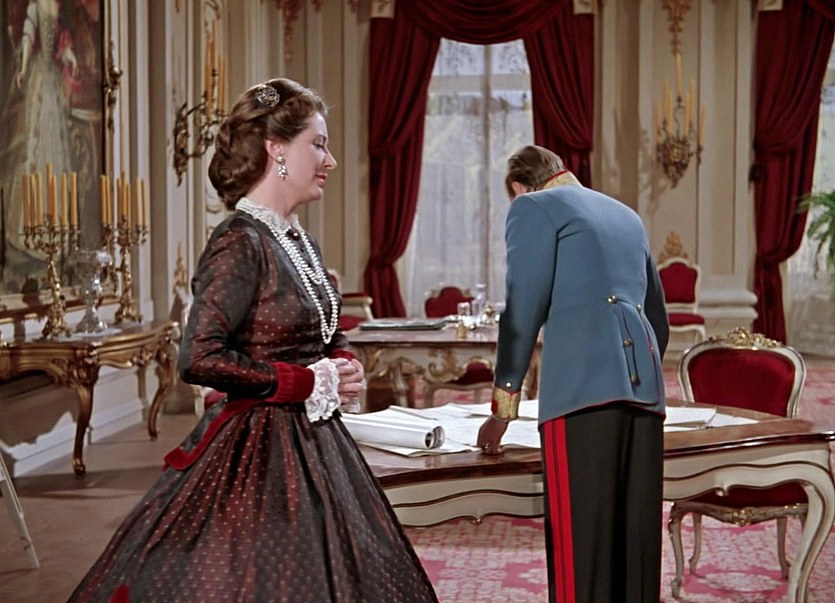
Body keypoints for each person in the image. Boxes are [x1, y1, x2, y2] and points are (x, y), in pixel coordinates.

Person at [69, 78, 438, 603]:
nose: (330, 160)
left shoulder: (298, 239)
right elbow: (199, 357)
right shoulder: (239, 242)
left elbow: (325, 329)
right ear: (276, 149)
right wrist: (303, 382)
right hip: (258, 451)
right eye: (319, 144)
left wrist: (342, 361)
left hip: (317, 439)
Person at [477, 145, 669, 602]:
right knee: (634, 550)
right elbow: (658, 322)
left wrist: (503, 408)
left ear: (519, 187)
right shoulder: (626, 215)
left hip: (580, 393)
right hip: (645, 395)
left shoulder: (532, 207)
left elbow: (522, 311)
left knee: (581, 552)